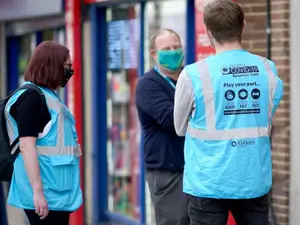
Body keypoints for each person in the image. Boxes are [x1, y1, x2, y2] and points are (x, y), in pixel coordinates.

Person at [174, 1, 283, 225]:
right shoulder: (267, 68)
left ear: (208, 31)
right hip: (253, 178)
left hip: (208, 182)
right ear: (242, 26)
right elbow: (265, 117)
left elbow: (179, 127)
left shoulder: (194, 74)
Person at [4, 41, 83, 225]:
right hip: (45, 194)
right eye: (67, 67)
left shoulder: (48, 96)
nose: (69, 72)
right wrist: (37, 192)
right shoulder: (31, 98)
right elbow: (26, 146)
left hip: (55, 191)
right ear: (52, 66)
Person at [135, 29, 189, 225]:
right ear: (154, 54)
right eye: (166, 49)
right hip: (168, 171)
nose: (173, 52)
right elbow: (170, 118)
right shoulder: (148, 85)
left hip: (196, 168)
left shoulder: (190, 77)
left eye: (176, 47)